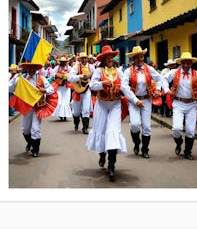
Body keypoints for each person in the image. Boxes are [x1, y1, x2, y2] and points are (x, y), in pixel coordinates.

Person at [86, 45, 127, 181]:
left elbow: (125, 86)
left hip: (115, 104)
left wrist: (133, 99)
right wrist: (102, 83)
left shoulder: (119, 71)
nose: (110, 59)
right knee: (101, 131)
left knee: (113, 131)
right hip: (102, 104)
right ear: (103, 59)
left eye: (111, 56)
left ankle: (111, 165)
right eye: (107, 57)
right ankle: (102, 154)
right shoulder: (99, 71)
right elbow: (92, 86)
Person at [121, 46, 167, 158]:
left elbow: (160, 78)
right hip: (133, 101)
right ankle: (137, 143)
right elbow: (124, 87)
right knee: (135, 125)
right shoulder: (128, 71)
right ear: (133, 59)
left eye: (141, 56)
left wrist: (158, 89)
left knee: (146, 126)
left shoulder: (149, 69)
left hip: (146, 100)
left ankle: (145, 149)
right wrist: (135, 100)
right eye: (137, 57)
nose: (140, 59)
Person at [163, 52, 197, 160]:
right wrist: (166, 90)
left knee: (190, 130)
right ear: (181, 63)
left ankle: (188, 151)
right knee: (176, 129)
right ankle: (179, 143)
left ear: (191, 63)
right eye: (184, 63)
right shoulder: (174, 72)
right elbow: (163, 79)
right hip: (178, 103)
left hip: (192, 104)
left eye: (188, 63)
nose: (186, 65)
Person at [9, 62, 55, 157]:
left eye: (33, 68)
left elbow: (51, 89)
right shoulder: (21, 79)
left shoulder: (42, 79)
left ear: (36, 69)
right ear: (26, 68)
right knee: (26, 129)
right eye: (29, 68)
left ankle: (35, 149)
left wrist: (45, 90)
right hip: (26, 107)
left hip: (37, 107)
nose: (31, 70)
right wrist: (14, 78)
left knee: (35, 129)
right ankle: (29, 142)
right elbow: (9, 88)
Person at [67, 52, 95, 134]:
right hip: (77, 91)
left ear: (87, 59)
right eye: (82, 58)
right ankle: (76, 123)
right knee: (76, 111)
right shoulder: (76, 67)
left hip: (87, 91)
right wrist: (79, 76)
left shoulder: (91, 67)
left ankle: (85, 128)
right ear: (79, 59)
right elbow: (69, 77)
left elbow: (95, 77)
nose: (84, 59)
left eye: (85, 58)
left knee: (86, 109)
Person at [52, 57, 73, 122]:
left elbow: (72, 74)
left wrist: (67, 76)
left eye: (64, 62)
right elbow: (52, 74)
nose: (63, 63)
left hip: (67, 86)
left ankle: (65, 115)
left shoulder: (69, 68)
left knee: (66, 101)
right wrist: (57, 75)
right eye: (62, 62)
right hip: (59, 86)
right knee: (59, 100)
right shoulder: (57, 67)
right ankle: (60, 114)